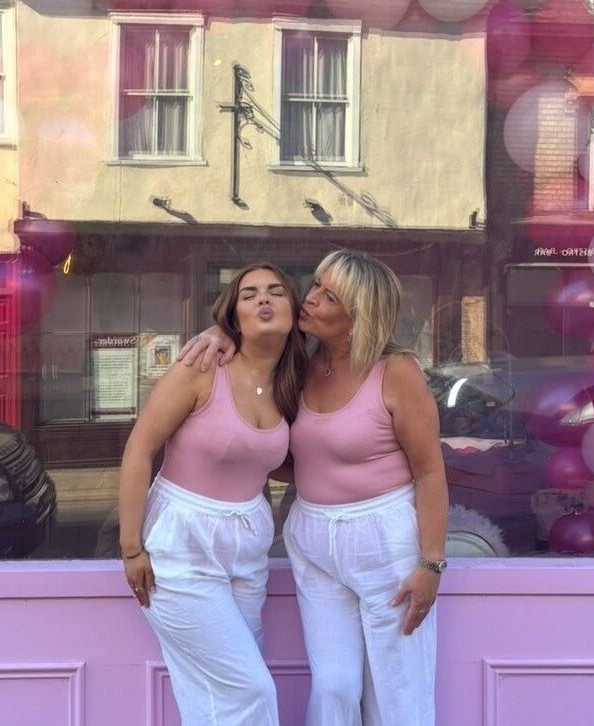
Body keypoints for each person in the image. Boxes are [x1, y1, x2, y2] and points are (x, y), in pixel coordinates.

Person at [179, 249, 448, 726]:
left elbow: (429, 472)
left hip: (385, 541)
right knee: (334, 685)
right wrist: (219, 332)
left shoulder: (396, 372)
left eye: (330, 296)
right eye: (317, 284)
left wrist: (431, 564)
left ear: (358, 316)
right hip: (313, 538)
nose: (311, 298)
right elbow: (283, 440)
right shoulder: (299, 363)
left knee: (398, 687)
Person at [118, 263, 307, 726]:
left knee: (218, 697)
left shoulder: (292, 381)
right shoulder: (202, 367)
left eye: (276, 291)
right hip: (182, 543)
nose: (263, 299)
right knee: (251, 688)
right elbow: (139, 449)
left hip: (248, 545)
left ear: (294, 309)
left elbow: (269, 459)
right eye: (249, 294)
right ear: (233, 314)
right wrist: (131, 548)